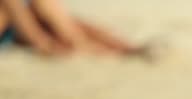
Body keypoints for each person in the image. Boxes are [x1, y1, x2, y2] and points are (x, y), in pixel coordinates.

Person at [0, 0, 147, 57]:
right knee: (41, 7)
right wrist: (41, 43)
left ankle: (124, 47)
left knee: (43, 7)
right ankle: (82, 45)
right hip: (11, 24)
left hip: (14, 25)